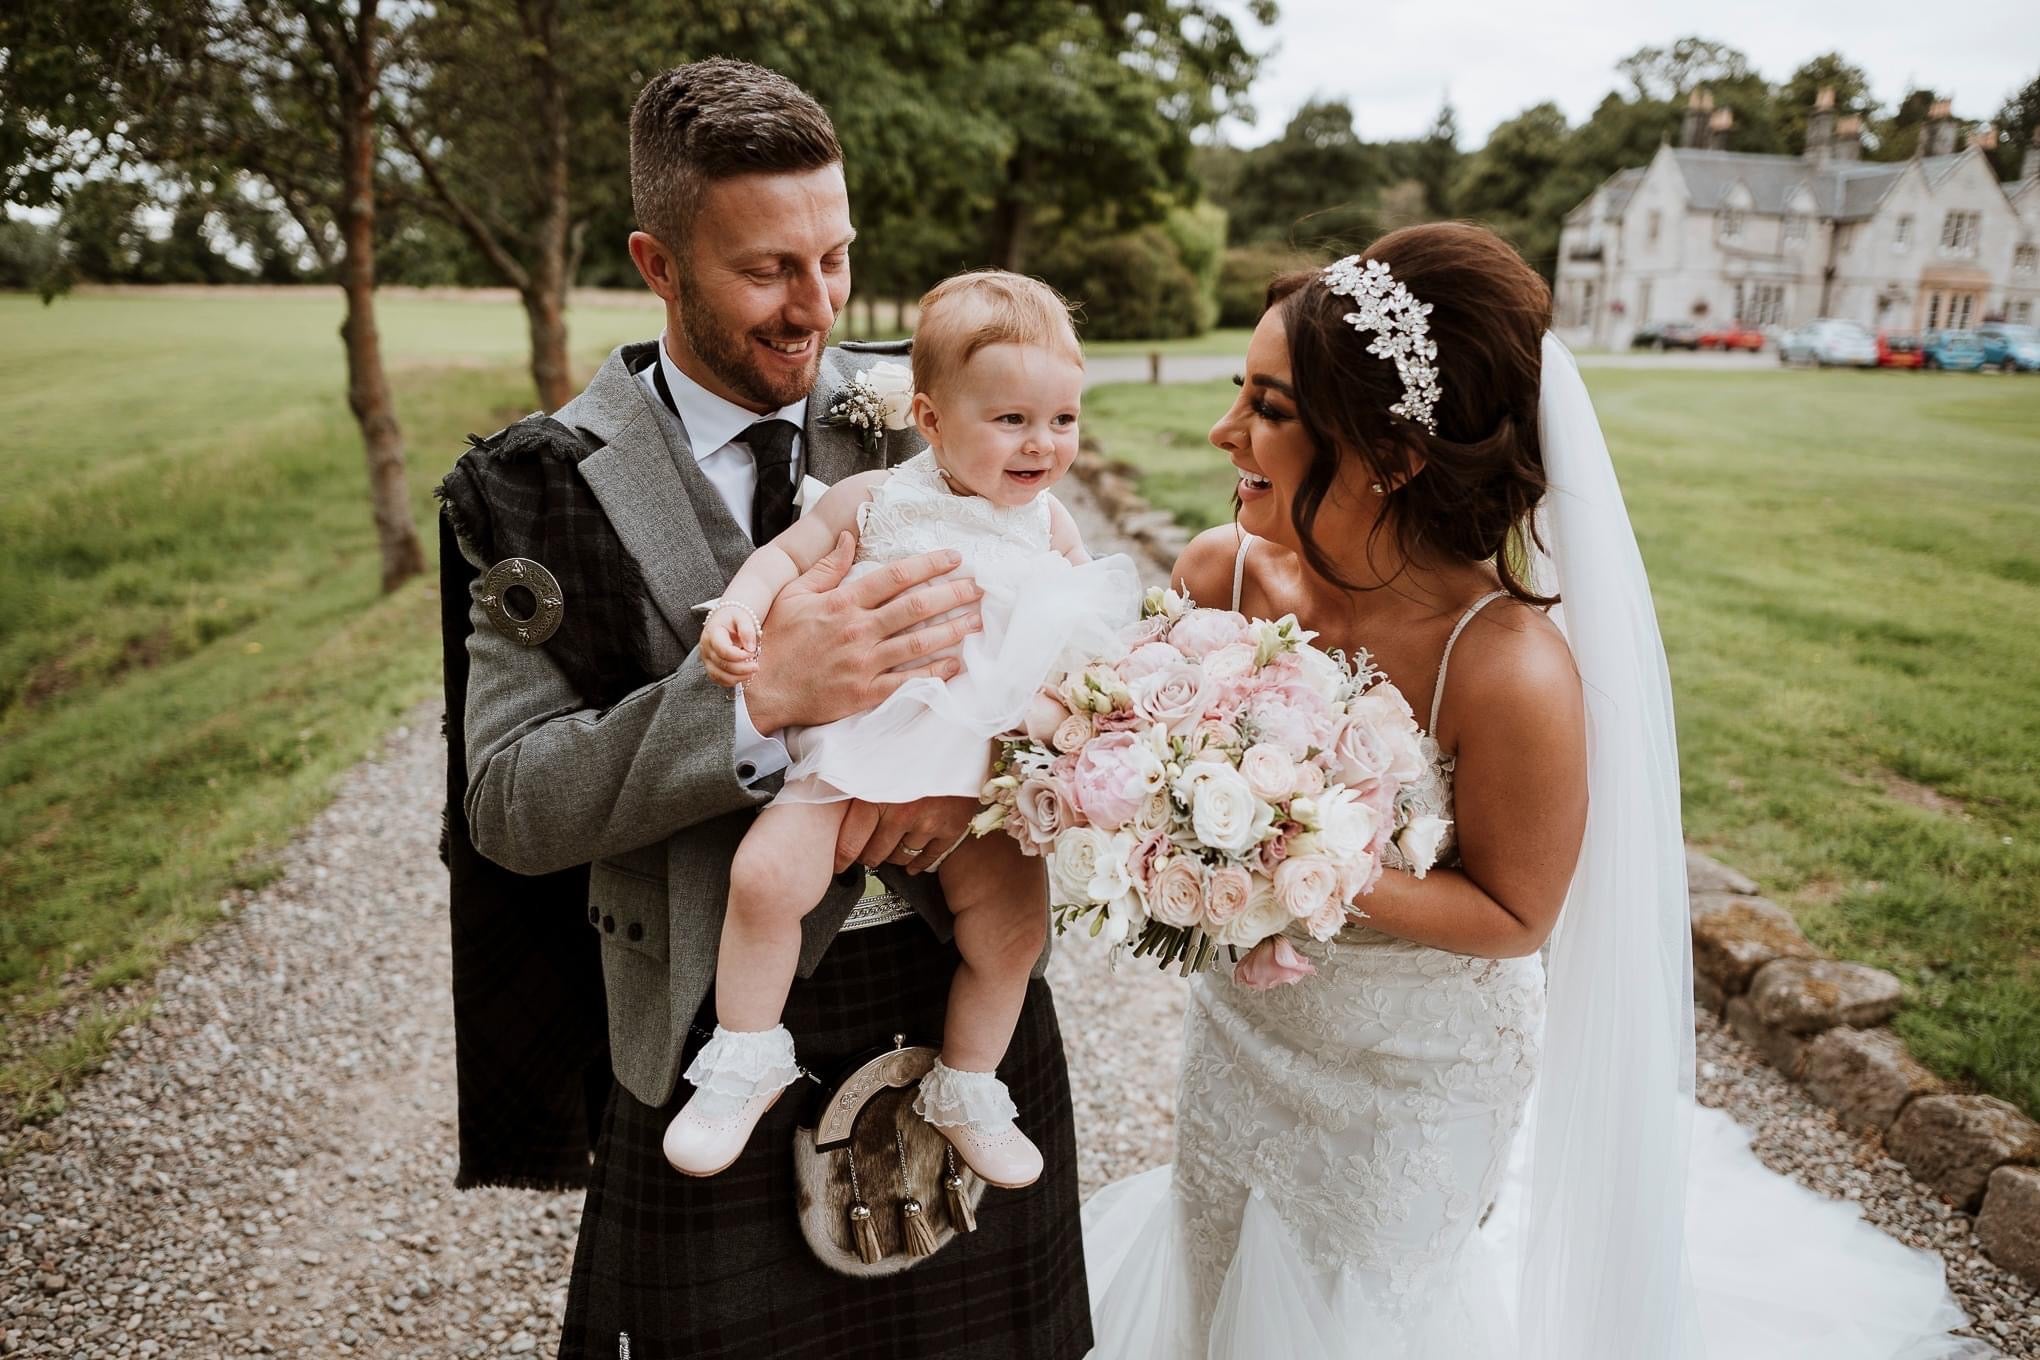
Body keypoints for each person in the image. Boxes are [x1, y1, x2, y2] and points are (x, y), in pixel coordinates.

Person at [1079, 222, 1973, 1357]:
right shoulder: (1224, 574)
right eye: (1238, 394)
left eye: (1271, 407)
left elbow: (1514, 916)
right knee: (1215, 1281)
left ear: (1394, 453)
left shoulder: (1505, 668)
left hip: (1412, 1074)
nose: (1225, 432)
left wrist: (1285, 861)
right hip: (1244, 1037)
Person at [439, 59, 1093, 1359]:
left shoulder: (945, 405)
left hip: (963, 1012)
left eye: (835, 257)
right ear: (659, 261)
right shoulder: (528, 489)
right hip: (710, 1027)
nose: (817, 308)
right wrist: (758, 706)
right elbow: (506, 803)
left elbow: (1059, 645)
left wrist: (984, 771)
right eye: (767, 270)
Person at [667, 270, 1140, 1187]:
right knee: (766, 878)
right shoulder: (874, 498)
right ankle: (745, 1055)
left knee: (1012, 931)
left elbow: (1095, 636)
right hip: (862, 742)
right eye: (1011, 420)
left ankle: (967, 1085)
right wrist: (738, 611)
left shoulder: (1050, 523)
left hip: (980, 768)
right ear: (928, 418)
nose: (1042, 445)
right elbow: (782, 558)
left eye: (1063, 420)